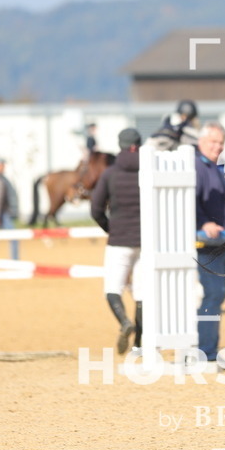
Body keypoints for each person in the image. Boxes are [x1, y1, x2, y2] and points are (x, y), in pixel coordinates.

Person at [90, 128, 144, 355]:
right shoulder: (148, 170)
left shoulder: (110, 173)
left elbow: (95, 209)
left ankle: (123, 321)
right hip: (145, 241)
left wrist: (109, 228)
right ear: (138, 145)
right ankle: (139, 344)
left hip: (119, 239)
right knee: (142, 294)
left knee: (112, 288)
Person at [195, 121, 225, 362]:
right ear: (201, 142)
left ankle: (208, 349)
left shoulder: (217, 167)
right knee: (212, 295)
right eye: (213, 141)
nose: (218, 146)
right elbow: (191, 200)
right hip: (207, 245)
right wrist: (203, 223)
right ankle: (205, 352)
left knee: (218, 296)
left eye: (221, 142)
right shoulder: (196, 167)